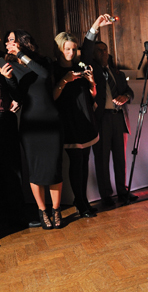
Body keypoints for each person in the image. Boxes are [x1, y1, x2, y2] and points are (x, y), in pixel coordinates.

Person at [3, 30, 64, 229]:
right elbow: (18, 97)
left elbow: (44, 75)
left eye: (12, 40)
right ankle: (42, 211)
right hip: (31, 124)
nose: (7, 43)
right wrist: (9, 79)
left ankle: (56, 211)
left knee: (54, 168)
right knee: (36, 170)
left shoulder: (43, 61)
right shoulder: (8, 65)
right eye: (7, 41)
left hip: (51, 121)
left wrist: (21, 55)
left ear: (22, 42)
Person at [52, 28, 100, 219]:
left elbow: (90, 97)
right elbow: (52, 97)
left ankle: (83, 200)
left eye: (74, 49)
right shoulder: (54, 70)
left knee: (85, 162)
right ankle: (80, 202)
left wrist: (92, 83)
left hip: (85, 120)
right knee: (77, 162)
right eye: (67, 49)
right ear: (60, 49)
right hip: (69, 121)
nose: (71, 53)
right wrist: (65, 80)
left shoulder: (80, 65)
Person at [92, 36, 138, 206]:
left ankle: (122, 191)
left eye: (105, 49)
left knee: (120, 158)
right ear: (93, 53)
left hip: (119, 118)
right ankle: (105, 195)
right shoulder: (93, 72)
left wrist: (125, 96)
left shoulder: (117, 73)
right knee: (102, 158)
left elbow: (130, 92)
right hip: (102, 119)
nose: (104, 52)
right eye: (99, 50)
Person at [0, 57, 25, 232]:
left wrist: (8, 80)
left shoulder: (3, 62)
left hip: (5, 120)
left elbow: (18, 94)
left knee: (13, 170)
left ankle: (16, 218)